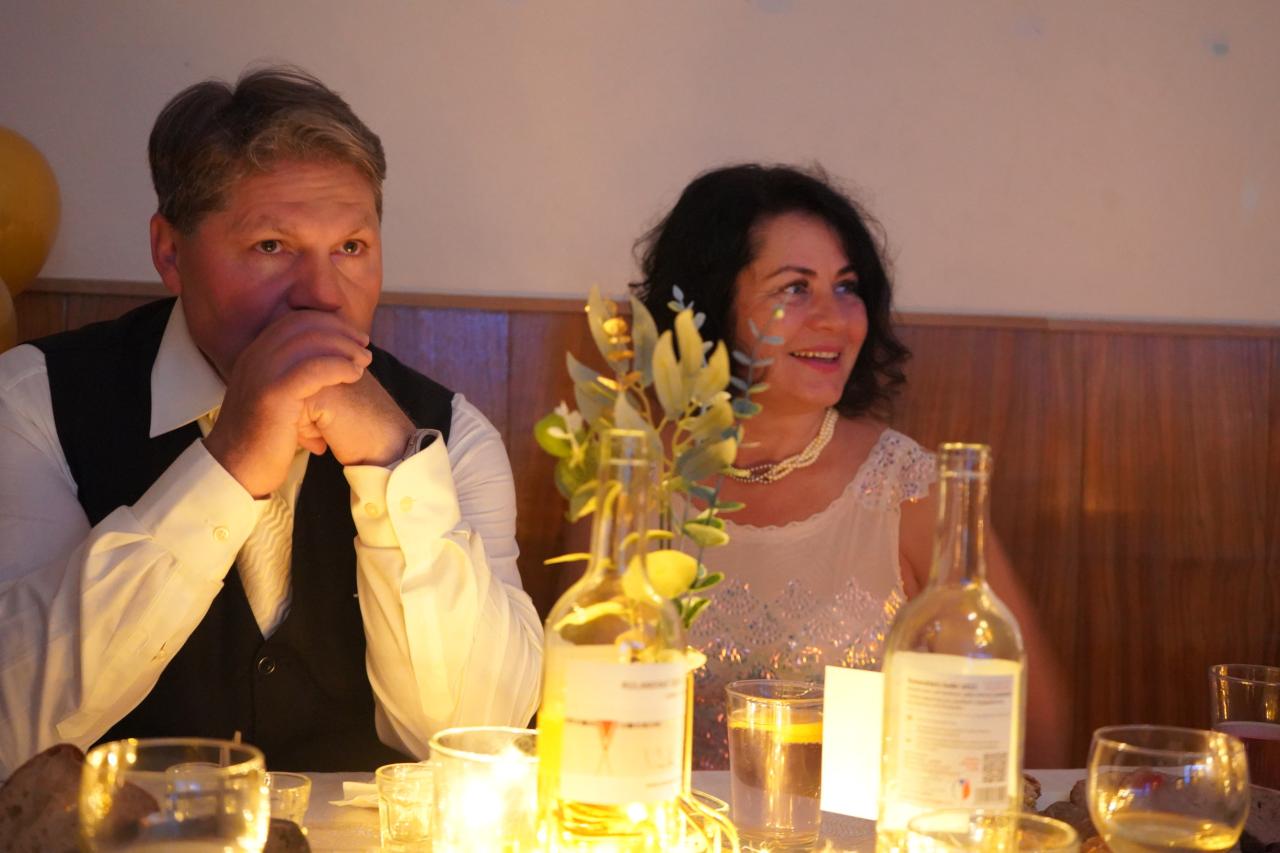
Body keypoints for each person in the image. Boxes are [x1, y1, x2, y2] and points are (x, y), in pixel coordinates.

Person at [0, 67, 541, 775]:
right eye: (272, 247)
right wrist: (228, 467)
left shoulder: (451, 434)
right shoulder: (34, 403)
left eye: (350, 248)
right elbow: (12, 731)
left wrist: (389, 467)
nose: (321, 296)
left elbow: (481, 743)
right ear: (170, 252)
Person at [631, 163, 1069, 770]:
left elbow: (1034, 731)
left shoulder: (910, 490)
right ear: (709, 305)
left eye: (847, 286)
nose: (835, 319)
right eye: (794, 288)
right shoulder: (634, 484)